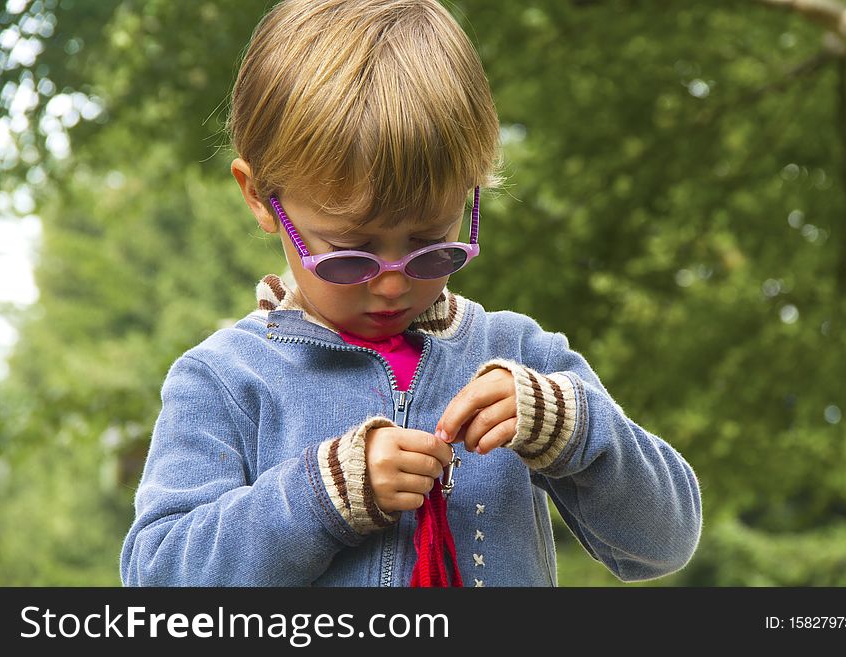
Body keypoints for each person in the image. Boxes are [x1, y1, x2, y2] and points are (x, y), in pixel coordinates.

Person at [120, 0, 702, 587]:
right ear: (259, 197)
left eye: (431, 243)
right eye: (349, 253)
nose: (394, 283)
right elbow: (157, 576)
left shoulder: (518, 355)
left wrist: (575, 427)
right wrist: (321, 495)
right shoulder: (225, 380)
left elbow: (664, 542)